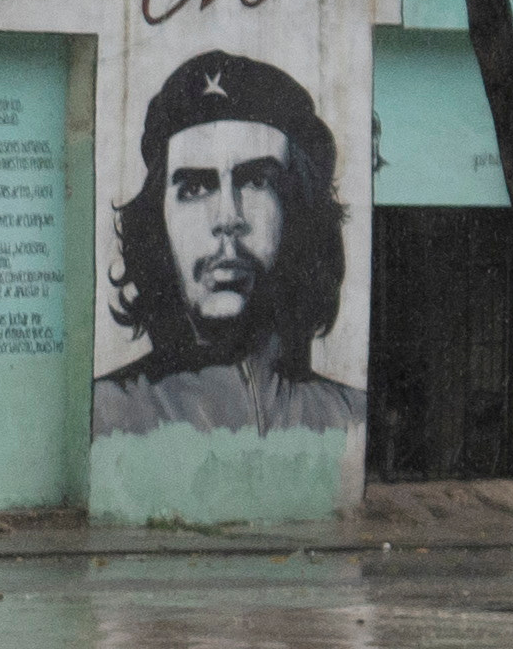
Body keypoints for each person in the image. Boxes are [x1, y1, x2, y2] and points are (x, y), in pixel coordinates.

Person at [94, 49, 365, 436]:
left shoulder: (349, 419)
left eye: (256, 181)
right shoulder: (106, 419)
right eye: (195, 187)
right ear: (157, 220)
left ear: (299, 211)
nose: (227, 218)